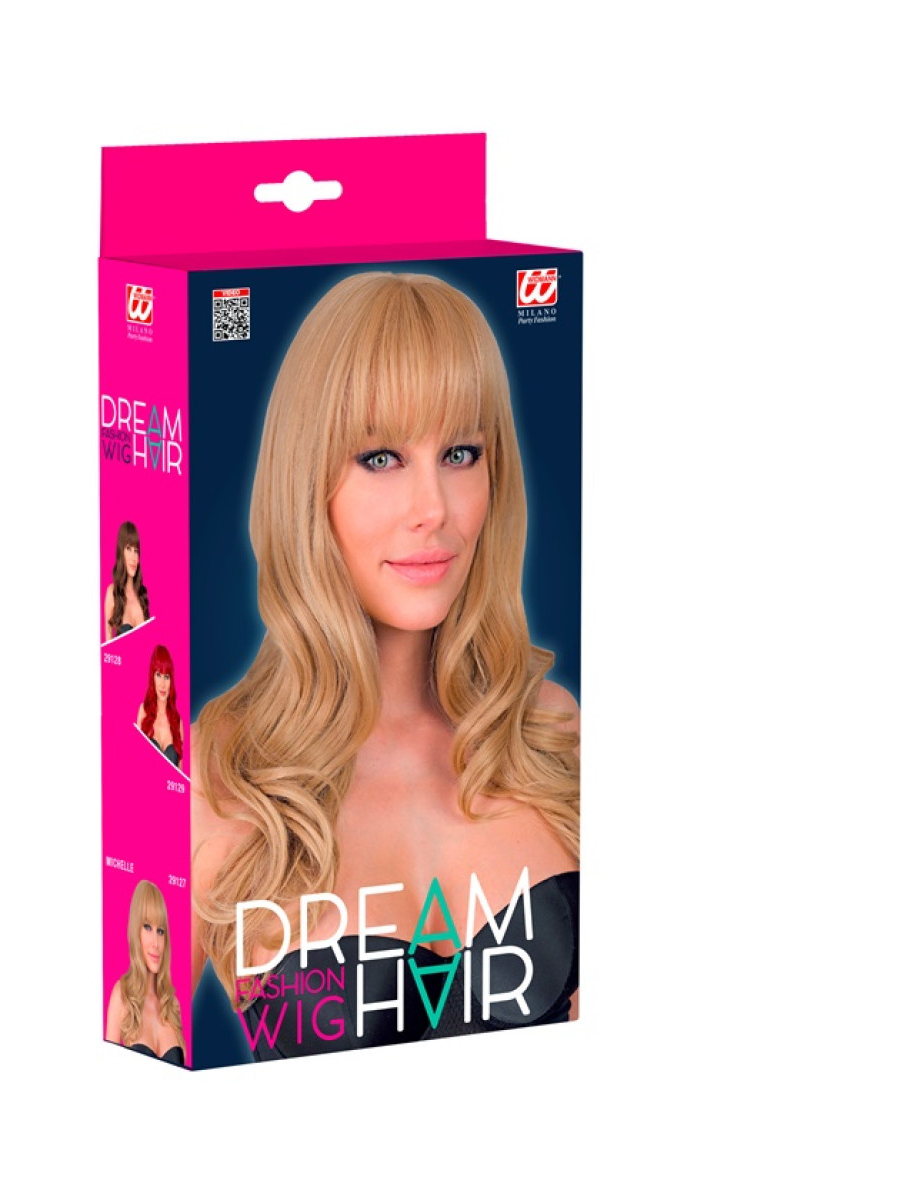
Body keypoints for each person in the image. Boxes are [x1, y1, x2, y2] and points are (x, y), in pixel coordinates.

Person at [190, 272, 580, 1058]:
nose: (433, 507)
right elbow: (133, 1037)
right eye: (380, 457)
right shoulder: (218, 773)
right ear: (307, 484)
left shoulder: (552, 733)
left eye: (461, 453)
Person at [105, 880, 184, 1065]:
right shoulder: (122, 994)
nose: (156, 943)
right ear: (136, 932)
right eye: (147, 927)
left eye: (160, 931)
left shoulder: (172, 1005)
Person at [135, 645, 185, 770]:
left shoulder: (177, 721)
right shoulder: (144, 711)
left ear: (171, 680)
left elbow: (180, 774)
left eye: (166, 677)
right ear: (152, 677)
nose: (162, 684)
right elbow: (137, 763)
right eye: (158, 675)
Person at [103, 521, 148, 641]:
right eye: (128, 548)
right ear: (121, 552)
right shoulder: (112, 592)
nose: (133, 558)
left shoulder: (142, 594)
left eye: (136, 551)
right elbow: (108, 640)